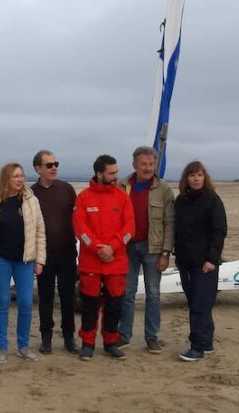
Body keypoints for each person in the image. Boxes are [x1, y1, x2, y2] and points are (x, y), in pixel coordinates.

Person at [72, 154, 135, 360]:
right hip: (91, 261)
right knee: (90, 304)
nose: (115, 176)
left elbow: (129, 228)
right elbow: (80, 229)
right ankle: (87, 343)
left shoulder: (123, 198)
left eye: (116, 172)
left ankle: (110, 342)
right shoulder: (84, 198)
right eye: (111, 173)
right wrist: (98, 248)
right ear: (99, 174)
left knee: (115, 305)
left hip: (116, 261)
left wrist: (113, 247)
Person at [117, 146, 175, 354]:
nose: (148, 168)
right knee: (127, 293)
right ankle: (123, 336)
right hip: (127, 248)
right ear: (134, 164)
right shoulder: (122, 186)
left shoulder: (164, 188)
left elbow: (170, 223)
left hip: (153, 249)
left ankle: (151, 337)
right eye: (144, 164)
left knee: (153, 294)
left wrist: (166, 253)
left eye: (151, 164)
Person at [0, 162, 46, 364]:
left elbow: (40, 231)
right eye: (15, 176)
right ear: (6, 179)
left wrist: (40, 260)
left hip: (25, 259)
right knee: (2, 301)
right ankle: (1, 347)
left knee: (25, 302)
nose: (20, 179)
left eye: (21, 175)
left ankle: (23, 345)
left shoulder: (31, 199)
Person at [174, 161, 227, 362]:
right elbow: (177, 230)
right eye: (192, 175)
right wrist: (177, 256)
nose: (196, 179)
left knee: (200, 304)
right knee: (195, 302)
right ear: (186, 179)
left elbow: (219, 231)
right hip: (185, 261)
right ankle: (206, 342)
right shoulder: (181, 200)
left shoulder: (212, 200)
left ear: (205, 177)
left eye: (199, 175)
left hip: (205, 263)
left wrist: (212, 259)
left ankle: (197, 347)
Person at [31, 150, 80, 355]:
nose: (54, 168)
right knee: (45, 297)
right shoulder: (31, 193)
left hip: (67, 253)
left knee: (68, 297)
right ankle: (46, 338)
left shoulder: (67, 189)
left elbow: (78, 218)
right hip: (44, 255)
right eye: (49, 165)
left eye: (56, 164)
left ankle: (69, 337)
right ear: (38, 169)